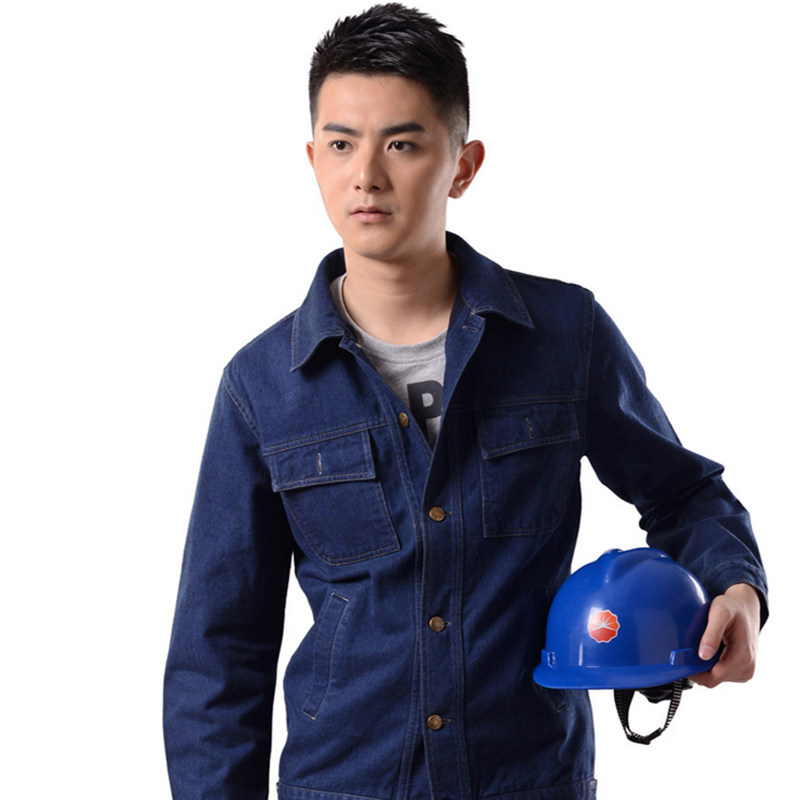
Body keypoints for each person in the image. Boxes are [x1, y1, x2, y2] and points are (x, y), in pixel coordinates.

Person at [163, 4, 767, 800]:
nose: (366, 175)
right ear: (312, 159)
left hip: (530, 780)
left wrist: (737, 587)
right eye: (341, 144)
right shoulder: (261, 385)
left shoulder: (564, 335)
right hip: (343, 784)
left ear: (463, 164)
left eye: (402, 144)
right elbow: (218, 652)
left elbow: (684, 493)